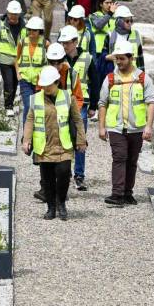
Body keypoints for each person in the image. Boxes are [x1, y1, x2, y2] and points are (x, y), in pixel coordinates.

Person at [23, 66, 87, 221]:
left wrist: (81, 140)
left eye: (49, 85)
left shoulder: (67, 97)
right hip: (44, 147)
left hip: (63, 146)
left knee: (64, 174)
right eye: (43, 85)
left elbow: (77, 120)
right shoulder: (35, 98)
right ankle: (51, 208)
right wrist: (26, 140)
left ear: (57, 82)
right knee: (48, 179)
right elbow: (30, 120)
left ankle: (61, 202)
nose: (45, 88)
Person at [98, 41, 154, 207]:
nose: (118, 62)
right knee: (119, 157)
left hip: (136, 128)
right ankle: (117, 194)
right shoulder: (110, 79)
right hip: (116, 127)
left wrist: (148, 126)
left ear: (131, 58)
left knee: (132, 161)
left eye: (122, 58)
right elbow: (102, 103)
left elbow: (151, 102)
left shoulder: (143, 78)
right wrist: (102, 127)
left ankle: (127, 193)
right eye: (117, 58)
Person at [33, 42, 84, 202]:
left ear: (64, 59)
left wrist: (70, 110)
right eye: (51, 62)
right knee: (44, 153)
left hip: (65, 121)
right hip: (47, 120)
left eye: (58, 62)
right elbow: (37, 96)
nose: (55, 65)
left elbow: (79, 97)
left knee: (65, 156)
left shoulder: (73, 75)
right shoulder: (44, 74)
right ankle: (46, 189)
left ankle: (61, 191)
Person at [59, 25, 98, 191]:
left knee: (80, 140)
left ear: (75, 42)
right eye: (62, 43)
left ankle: (79, 176)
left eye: (67, 43)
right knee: (63, 138)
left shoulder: (87, 58)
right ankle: (64, 172)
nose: (64, 46)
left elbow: (95, 82)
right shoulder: (58, 58)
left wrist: (93, 106)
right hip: (61, 104)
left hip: (81, 104)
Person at [0, 0, 25, 117]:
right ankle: (8, 106)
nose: (13, 17)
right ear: (7, 13)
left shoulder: (25, 27)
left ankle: (10, 102)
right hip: (4, 58)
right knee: (8, 82)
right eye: (11, 14)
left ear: (19, 14)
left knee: (15, 83)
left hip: (18, 60)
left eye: (16, 14)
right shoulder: (0, 25)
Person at [15, 16, 49, 125]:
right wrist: (18, 74)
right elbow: (16, 59)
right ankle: (26, 135)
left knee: (38, 107)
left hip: (40, 82)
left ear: (40, 31)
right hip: (25, 80)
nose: (31, 32)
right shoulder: (22, 42)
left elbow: (52, 62)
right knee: (29, 106)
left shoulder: (46, 44)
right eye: (29, 29)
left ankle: (37, 132)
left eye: (34, 30)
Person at [105, 5, 145, 71]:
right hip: (115, 75)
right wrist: (107, 57)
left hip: (133, 75)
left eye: (131, 21)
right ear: (119, 21)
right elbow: (104, 56)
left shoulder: (136, 34)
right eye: (127, 21)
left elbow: (140, 57)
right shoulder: (110, 35)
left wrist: (142, 75)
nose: (130, 23)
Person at [89, 0, 116, 91]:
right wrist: (110, 14)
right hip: (98, 51)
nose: (109, 5)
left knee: (109, 78)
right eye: (107, 3)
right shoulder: (94, 15)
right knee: (97, 77)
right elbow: (99, 25)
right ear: (101, 4)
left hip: (110, 52)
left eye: (111, 3)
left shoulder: (114, 16)